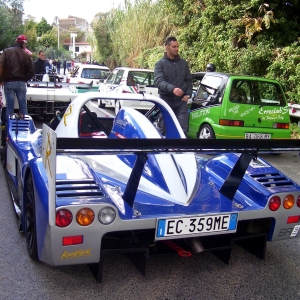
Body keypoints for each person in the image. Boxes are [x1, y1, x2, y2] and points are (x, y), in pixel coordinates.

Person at [154, 36, 192, 136]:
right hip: (166, 101)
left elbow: (189, 80)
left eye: (177, 46)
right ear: (167, 47)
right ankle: (162, 150)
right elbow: (159, 81)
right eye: (174, 47)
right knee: (163, 130)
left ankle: (181, 150)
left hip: (181, 102)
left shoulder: (183, 63)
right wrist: (172, 89)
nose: (177, 49)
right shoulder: (160, 64)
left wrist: (188, 94)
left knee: (182, 131)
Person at [0, 35, 35, 119]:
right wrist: (24, 79)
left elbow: (1, 66)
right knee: (23, 107)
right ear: (23, 44)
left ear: (16, 42)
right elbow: (31, 72)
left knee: (9, 108)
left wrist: (2, 79)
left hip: (8, 82)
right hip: (21, 83)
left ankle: (8, 127)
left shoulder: (6, 52)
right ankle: (25, 127)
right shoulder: (26, 55)